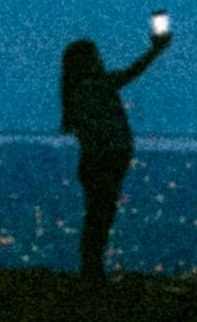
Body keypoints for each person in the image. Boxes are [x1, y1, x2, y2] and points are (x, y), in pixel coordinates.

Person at [59, 27, 170, 282]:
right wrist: (156, 49)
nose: (100, 58)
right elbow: (131, 73)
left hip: (102, 162)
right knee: (100, 217)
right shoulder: (92, 88)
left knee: (98, 216)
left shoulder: (85, 89)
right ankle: (91, 273)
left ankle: (92, 270)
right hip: (103, 163)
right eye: (94, 55)